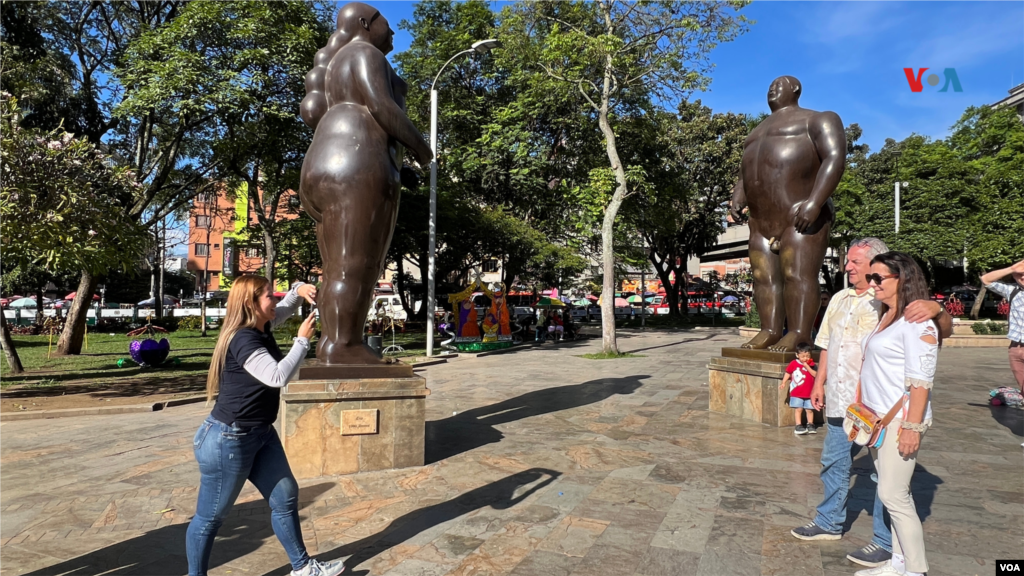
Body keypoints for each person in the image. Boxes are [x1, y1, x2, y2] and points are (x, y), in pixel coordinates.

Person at [791, 238, 952, 570]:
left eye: (856, 262)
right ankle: (831, 523)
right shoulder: (846, 300)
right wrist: (819, 383)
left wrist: (938, 308)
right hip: (852, 407)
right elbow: (826, 344)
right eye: (847, 261)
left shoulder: (898, 306)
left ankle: (891, 549)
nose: (847, 267)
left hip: (890, 413)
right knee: (835, 463)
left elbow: (935, 340)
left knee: (890, 489)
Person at [186, 276, 346, 576]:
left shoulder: (264, 325)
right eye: (269, 296)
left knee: (285, 496)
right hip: (228, 439)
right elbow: (275, 377)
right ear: (251, 304)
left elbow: (285, 306)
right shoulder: (243, 339)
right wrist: (302, 341)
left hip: (260, 433)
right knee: (210, 518)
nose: (274, 300)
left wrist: (298, 288)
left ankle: (302, 568)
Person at [853, 252, 941, 576]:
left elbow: (921, 382)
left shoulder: (916, 322)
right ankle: (899, 563)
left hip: (900, 422)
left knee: (895, 496)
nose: (871, 283)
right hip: (877, 422)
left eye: (879, 278)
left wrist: (911, 428)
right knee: (890, 494)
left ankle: (915, 571)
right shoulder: (888, 315)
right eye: (869, 277)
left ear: (901, 279)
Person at [981, 259, 1024, 391]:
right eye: (1019, 274)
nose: (1022, 277)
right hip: (1016, 349)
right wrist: (1011, 269)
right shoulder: (1012, 291)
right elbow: (986, 280)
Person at [780, 342, 818, 435]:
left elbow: (815, 374)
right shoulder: (793, 363)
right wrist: (783, 382)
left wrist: (807, 367)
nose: (805, 358)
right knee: (799, 409)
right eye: (803, 356)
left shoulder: (812, 364)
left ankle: (810, 424)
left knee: (809, 409)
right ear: (797, 355)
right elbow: (788, 372)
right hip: (797, 392)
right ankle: (798, 425)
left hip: (809, 392)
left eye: (807, 356)